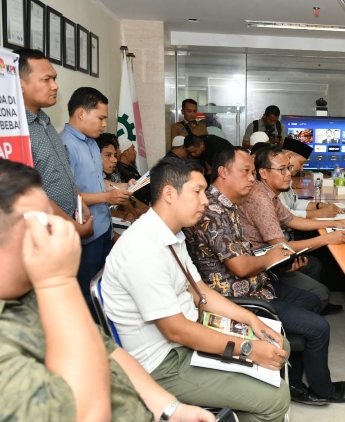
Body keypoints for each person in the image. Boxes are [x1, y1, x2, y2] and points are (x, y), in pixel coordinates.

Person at [0, 156, 215, 422]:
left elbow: (107, 351)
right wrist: (57, 282)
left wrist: (169, 409)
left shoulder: (17, 288)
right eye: (38, 228)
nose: (62, 234)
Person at [102, 157, 291, 422]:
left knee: (279, 344)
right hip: (164, 363)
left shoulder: (172, 235)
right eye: (197, 191)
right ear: (169, 193)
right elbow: (176, 329)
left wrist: (251, 321)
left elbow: (199, 289)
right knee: (276, 399)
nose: (205, 200)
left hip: (185, 338)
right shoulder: (142, 250)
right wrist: (247, 348)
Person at [183, 148, 345, 406]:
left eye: (252, 172)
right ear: (222, 172)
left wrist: (272, 261)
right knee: (319, 327)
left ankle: (293, 381)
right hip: (239, 298)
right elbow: (241, 268)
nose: (251, 179)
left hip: (257, 283)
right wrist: (272, 258)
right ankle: (322, 391)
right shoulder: (214, 212)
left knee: (313, 302)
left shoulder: (228, 203)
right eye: (246, 172)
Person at [237, 146, 345, 314]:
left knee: (314, 269)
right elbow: (282, 247)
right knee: (321, 295)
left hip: (273, 257)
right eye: (281, 169)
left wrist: (330, 224)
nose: (288, 174)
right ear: (263, 173)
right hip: (263, 266)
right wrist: (327, 238)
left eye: (288, 168)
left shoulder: (268, 192)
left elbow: (291, 219)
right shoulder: (260, 199)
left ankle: (304, 307)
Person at [60, 87, 131, 314]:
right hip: (86, 232)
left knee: (104, 289)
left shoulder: (92, 143)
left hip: (104, 228)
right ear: (82, 113)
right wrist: (106, 197)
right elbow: (70, 194)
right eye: (100, 118)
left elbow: (99, 182)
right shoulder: (66, 145)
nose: (103, 125)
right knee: (86, 295)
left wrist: (123, 187)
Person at [15, 48, 94, 240]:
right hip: (44, 235)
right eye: (46, 79)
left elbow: (62, 170)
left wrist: (79, 201)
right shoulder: (16, 130)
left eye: (54, 79)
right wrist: (73, 227)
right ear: (19, 84)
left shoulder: (45, 122)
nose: (55, 86)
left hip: (69, 227)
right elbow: (28, 193)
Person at [279, 137, 342, 219]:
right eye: (301, 163)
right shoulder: (275, 178)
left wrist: (320, 205)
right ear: (289, 156)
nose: (302, 168)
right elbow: (285, 215)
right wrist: (319, 213)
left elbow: (295, 203)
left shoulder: (287, 177)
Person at [95, 133, 147, 224]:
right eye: (108, 155)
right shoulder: (88, 179)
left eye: (114, 155)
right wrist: (129, 213)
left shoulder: (114, 174)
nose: (114, 159)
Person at [116, 138, 152, 205]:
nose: (135, 152)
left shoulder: (129, 167)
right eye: (133, 149)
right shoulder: (120, 170)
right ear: (126, 153)